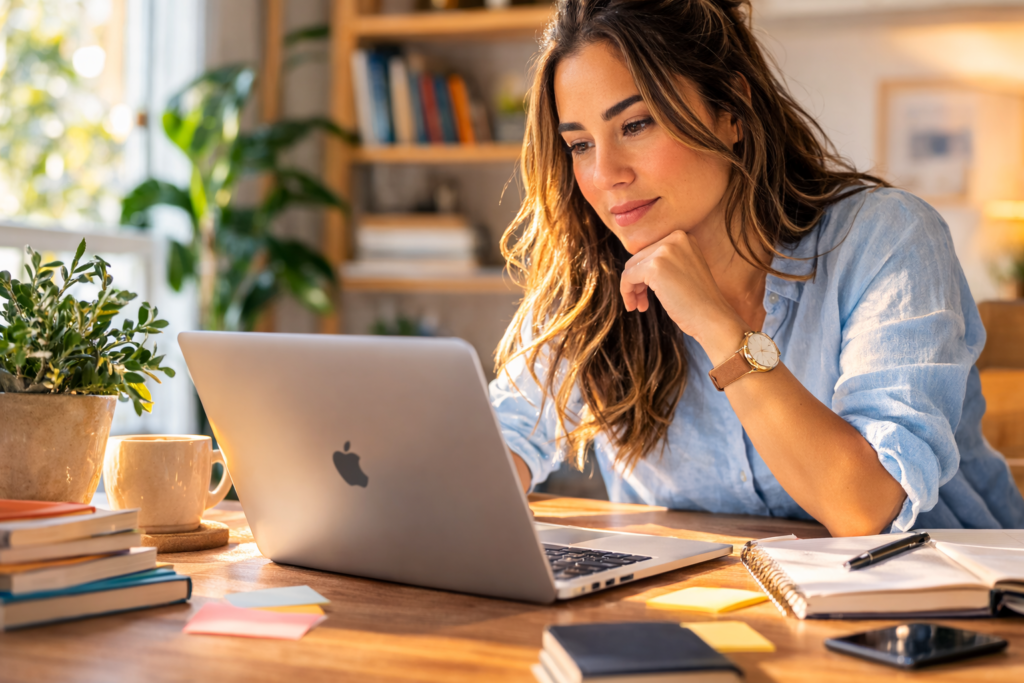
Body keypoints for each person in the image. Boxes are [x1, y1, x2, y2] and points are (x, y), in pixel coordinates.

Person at [488, 0, 1024, 536]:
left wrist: (719, 327)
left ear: (731, 112)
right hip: (710, 609)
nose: (605, 173)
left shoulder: (887, 239)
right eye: (580, 144)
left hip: (947, 607)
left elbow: (866, 507)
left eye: (636, 124)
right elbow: (500, 443)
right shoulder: (592, 286)